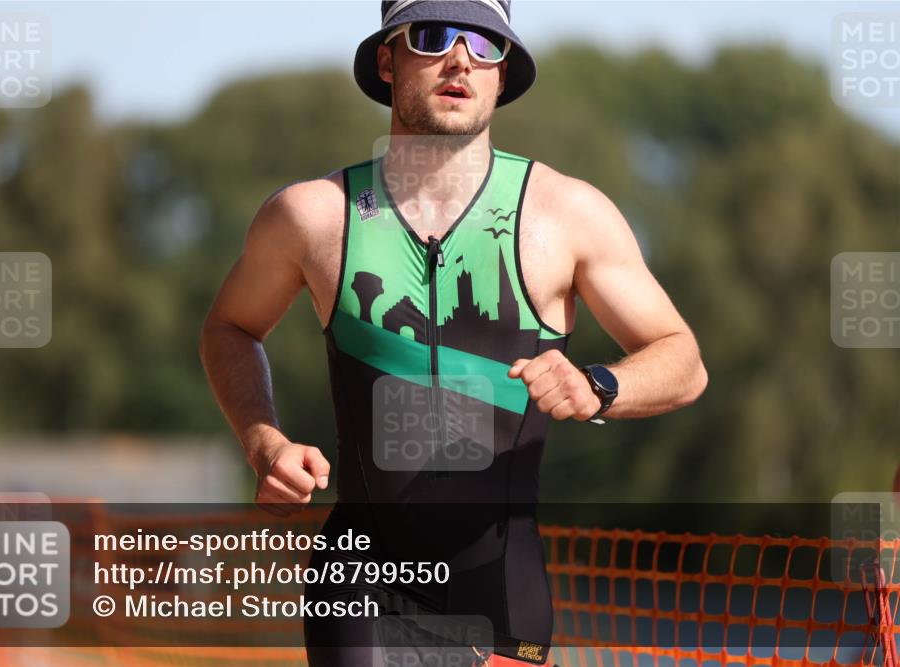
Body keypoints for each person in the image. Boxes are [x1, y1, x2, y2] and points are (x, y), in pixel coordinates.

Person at [199, 1, 708, 665]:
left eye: (486, 43)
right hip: (358, 582)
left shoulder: (566, 215)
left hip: (501, 587)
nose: (461, 57)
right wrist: (263, 442)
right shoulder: (313, 216)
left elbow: (683, 360)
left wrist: (597, 385)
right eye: (434, 35)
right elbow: (230, 326)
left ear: (503, 75)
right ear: (387, 58)